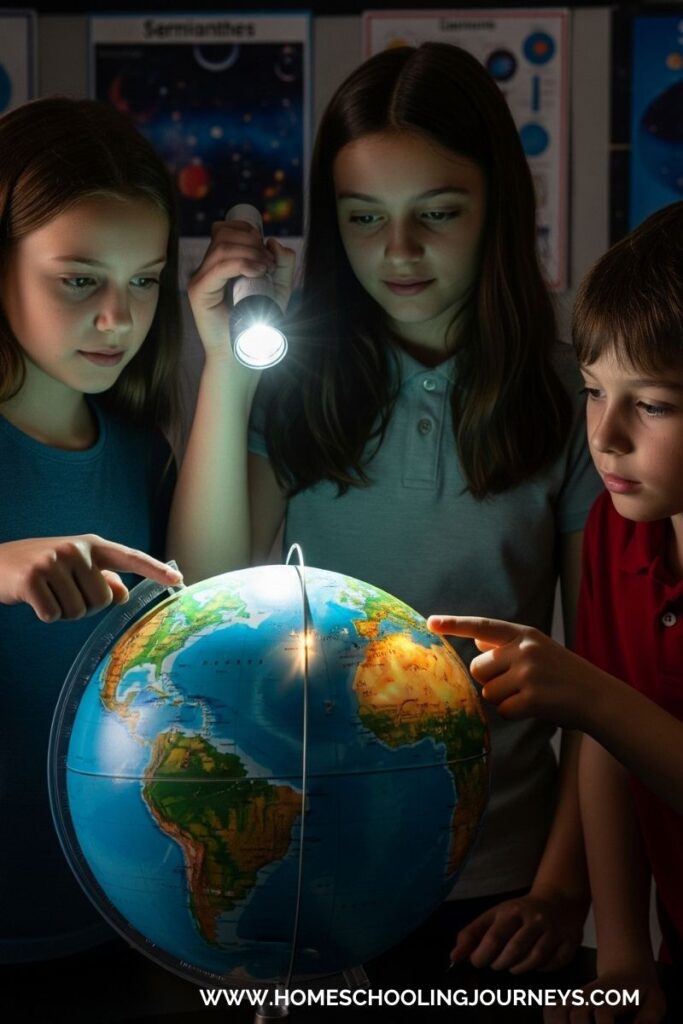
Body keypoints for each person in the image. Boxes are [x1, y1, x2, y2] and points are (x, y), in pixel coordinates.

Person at [171, 43, 602, 987]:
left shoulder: (570, 393)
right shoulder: (291, 382)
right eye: (364, 219)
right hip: (301, 858)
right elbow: (200, 591)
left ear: (498, 209)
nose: (398, 253)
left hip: (496, 877)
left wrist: (564, 889)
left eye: (437, 215)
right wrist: (226, 366)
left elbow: (597, 677)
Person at [429, 201, 683, 1022]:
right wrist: (622, 956)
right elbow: (607, 743)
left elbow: (602, 710)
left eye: (653, 404)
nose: (603, 436)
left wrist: (588, 696)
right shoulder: (618, 530)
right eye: (592, 390)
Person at [0, 96, 185, 975]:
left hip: (117, 922)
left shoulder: (142, 455)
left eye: (143, 280)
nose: (119, 317)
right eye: (79, 279)